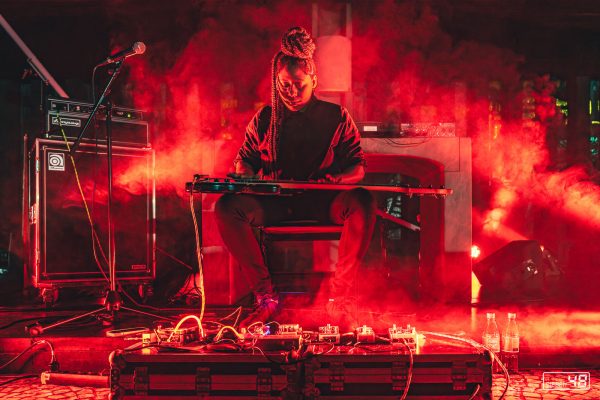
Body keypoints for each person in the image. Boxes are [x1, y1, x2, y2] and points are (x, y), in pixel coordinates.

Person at [215, 27, 376, 328]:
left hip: (323, 202)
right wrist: (247, 176)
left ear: (314, 81)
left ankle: (339, 300)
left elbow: (358, 167)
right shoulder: (265, 118)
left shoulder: (336, 116)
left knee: (363, 200)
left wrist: (336, 180)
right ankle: (266, 299)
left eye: (298, 84)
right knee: (226, 207)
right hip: (274, 204)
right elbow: (243, 161)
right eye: (283, 84)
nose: (290, 91)